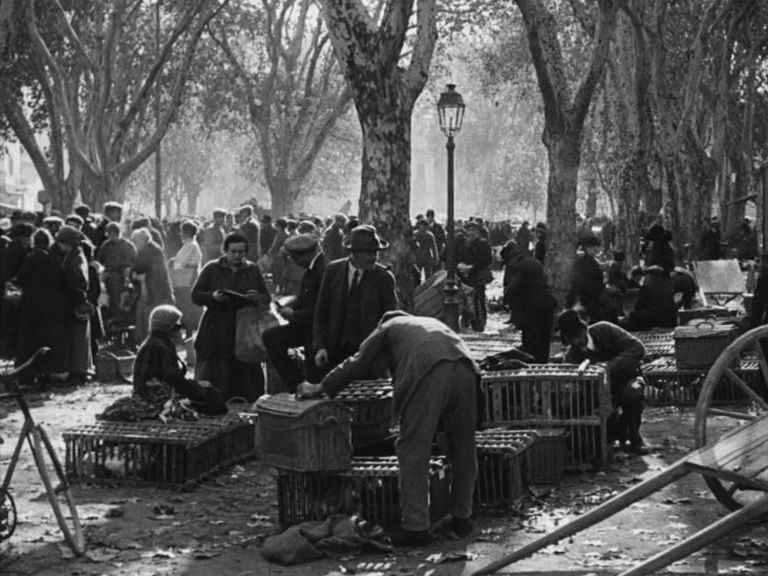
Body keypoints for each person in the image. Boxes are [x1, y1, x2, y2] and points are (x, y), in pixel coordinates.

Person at [297, 311, 479, 545]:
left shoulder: (387, 327)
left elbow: (357, 362)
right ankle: (462, 518)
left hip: (428, 369)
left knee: (413, 447)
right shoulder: (424, 324)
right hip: (466, 368)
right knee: (463, 446)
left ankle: (416, 528)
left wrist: (322, 387)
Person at [192, 231, 271, 401]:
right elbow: (196, 295)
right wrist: (212, 297)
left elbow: (266, 297)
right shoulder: (212, 268)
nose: (237, 256)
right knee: (217, 360)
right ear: (225, 251)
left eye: (241, 252)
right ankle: (216, 395)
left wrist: (256, 298)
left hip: (244, 324)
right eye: (233, 252)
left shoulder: (252, 270)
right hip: (217, 323)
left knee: (244, 359)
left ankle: (245, 395)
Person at [557, 309, 648, 455]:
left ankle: (635, 437)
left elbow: (637, 348)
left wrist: (609, 367)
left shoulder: (605, 330)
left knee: (633, 393)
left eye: (577, 337)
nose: (576, 342)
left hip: (628, 378)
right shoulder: (572, 355)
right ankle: (609, 433)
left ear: (584, 329)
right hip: (600, 389)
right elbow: (574, 382)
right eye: (571, 340)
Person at [313, 224, 398, 376]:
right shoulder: (333, 271)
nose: (374, 257)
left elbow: (389, 321)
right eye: (368, 253)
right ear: (354, 253)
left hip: (367, 356)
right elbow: (321, 312)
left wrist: (381, 355)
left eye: (376, 252)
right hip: (335, 351)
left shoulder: (384, 278)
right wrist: (321, 347)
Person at [132, 305, 226, 415]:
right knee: (213, 398)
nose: (181, 329)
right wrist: (198, 387)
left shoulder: (157, 342)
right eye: (177, 325)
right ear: (168, 327)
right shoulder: (160, 346)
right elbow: (174, 381)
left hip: (151, 393)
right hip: (156, 397)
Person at [262, 234, 327, 392]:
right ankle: (296, 383)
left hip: (317, 330)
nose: (293, 261)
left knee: (313, 372)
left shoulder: (322, 271)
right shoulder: (314, 269)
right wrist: (292, 306)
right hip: (308, 324)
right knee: (271, 337)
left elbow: (322, 309)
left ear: (303, 255)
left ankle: (299, 385)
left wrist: (293, 315)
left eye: (293, 257)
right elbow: (307, 298)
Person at [13, 228, 69, 382]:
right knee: (48, 340)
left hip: (33, 305)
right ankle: (47, 372)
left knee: (30, 341)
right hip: (52, 306)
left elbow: (21, 279)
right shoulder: (54, 259)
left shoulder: (31, 258)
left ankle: (27, 374)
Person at [502, 240, 557, 362]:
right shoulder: (534, 262)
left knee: (530, 340)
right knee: (543, 339)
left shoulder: (517, 266)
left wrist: (505, 300)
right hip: (547, 303)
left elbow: (513, 287)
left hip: (531, 308)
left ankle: (532, 363)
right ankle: (542, 363)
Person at [54, 226, 94, 384]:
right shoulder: (75, 254)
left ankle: (79, 372)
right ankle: (79, 371)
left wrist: (74, 297)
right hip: (77, 300)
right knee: (79, 339)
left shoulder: (75, 257)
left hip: (76, 302)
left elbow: (78, 281)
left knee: (78, 340)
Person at [131, 228, 175, 344]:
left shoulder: (151, 251)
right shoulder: (147, 250)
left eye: (135, 240)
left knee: (150, 323)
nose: (133, 243)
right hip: (150, 291)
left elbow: (153, 272)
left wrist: (138, 276)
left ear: (143, 240)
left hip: (154, 293)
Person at [96, 222, 137, 327]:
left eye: (112, 234)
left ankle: (123, 319)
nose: (110, 236)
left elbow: (135, 261)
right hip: (111, 276)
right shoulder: (106, 246)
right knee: (112, 298)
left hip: (125, 276)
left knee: (125, 299)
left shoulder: (128, 245)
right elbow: (99, 260)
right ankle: (114, 318)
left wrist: (129, 271)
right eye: (109, 234)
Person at [457, 221, 493, 332]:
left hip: (478, 275)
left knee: (478, 299)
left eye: (473, 230)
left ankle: (479, 324)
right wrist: (461, 266)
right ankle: (467, 321)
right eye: (469, 230)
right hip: (466, 276)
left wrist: (472, 267)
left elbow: (487, 260)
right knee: (466, 299)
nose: (471, 232)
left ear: (477, 232)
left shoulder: (483, 243)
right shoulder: (464, 243)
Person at [566, 232, 607, 323]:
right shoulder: (589, 263)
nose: (597, 250)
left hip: (587, 296)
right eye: (594, 248)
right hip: (589, 297)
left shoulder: (585, 261)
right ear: (588, 248)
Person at [170, 220, 203, 332]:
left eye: (181, 231)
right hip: (187, 276)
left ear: (186, 232)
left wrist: (173, 263)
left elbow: (181, 264)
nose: (180, 234)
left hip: (187, 277)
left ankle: (189, 328)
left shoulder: (190, 245)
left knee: (187, 303)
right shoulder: (190, 244)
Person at [621, 266, 677, 331]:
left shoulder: (646, 287)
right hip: (667, 317)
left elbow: (638, 306)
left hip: (652, 317)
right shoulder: (668, 287)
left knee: (633, 315)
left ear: (651, 276)